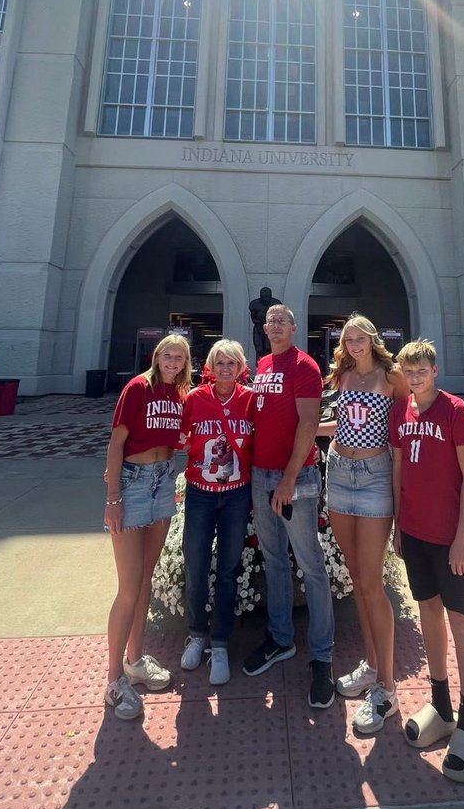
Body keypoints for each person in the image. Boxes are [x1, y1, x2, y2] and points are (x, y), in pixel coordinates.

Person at [389, 339, 464, 783]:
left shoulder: (455, 411)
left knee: (461, 618)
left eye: (421, 370)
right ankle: (441, 704)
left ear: (434, 369)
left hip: (451, 540)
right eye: (408, 371)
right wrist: (397, 525)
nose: (415, 377)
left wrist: (463, 539)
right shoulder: (403, 412)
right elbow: (398, 472)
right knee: (428, 609)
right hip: (414, 532)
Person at [317, 314, 408, 734]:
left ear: (372, 339)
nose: (353, 345)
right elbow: (346, 424)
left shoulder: (392, 377)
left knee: (372, 583)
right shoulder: (344, 375)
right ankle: (372, 667)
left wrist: (404, 493)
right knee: (356, 577)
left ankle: (388, 689)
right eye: (347, 339)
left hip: (374, 478)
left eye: (359, 339)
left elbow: (402, 433)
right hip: (338, 472)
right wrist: (305, 431)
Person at [244, 303, 335, 710]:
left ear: (294, 327)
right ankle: (281, 639)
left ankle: (322, 658)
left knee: (311, 565)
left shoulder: (305, 366)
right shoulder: (262, 364)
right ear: (264, 328)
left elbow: (308, 422)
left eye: (283, 320)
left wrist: (288, 478)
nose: (275, 325)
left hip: (295, 478)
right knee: (274, 560)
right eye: (270, 320)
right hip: (261, 475)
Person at [103, 334, 191, 721]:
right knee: (128, 586)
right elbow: (116, 442)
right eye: (167, 356)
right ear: (157, 357)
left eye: (179, 357)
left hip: (163, 480)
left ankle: (136, 658)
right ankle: (113, 679)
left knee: (147, 578)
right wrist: (113, 495)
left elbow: (177, 438)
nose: (172, 362)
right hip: (134, 483)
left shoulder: (180, 395)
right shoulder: (137, 387)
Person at [179, 339, 254, 687]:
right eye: (219, 363)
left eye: (231, 363)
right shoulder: (194, 399)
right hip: (200, 495)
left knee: (227, 568)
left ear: (241, 367)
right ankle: (197, 634)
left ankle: (220, 642)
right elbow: (178, 438)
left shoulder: (250, 400)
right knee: (195, 564)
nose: (225, 369)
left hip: (237, 494)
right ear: (210, 367)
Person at [248, 287, 281, 362]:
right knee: (259, 348)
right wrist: (261, 319)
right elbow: (253, 319)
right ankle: (259, 365)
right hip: (259, 328)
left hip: (271, 329)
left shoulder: (276, 303)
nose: (266, 300)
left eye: (267, 297)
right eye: (264, 297)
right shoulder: (254, 304)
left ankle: (269, 364)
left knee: (268, 348)